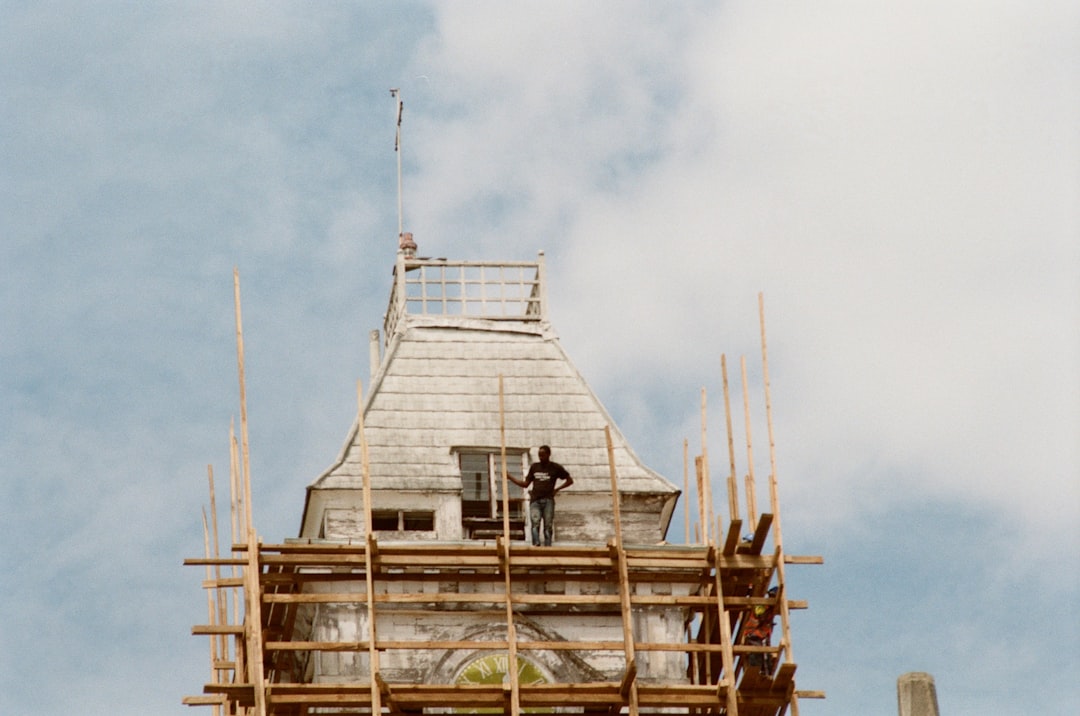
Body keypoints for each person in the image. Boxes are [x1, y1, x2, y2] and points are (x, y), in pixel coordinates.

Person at [508, 445, 573, 546]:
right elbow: (525, 484)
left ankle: (547, 547)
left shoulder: (555, 467)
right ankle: (536, 545)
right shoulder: (535, 467)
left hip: (548, 500)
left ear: (548, 454)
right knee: (535, 523)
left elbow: (570, 480)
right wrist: (510, 477)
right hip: (535, 501)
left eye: (543, 455)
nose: (541, 457)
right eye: (539, 455)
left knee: (548, 525)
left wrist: (557, 489)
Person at [742, 586, 778, 676]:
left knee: (766, 657)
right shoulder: (762, 604)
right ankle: (756, 673)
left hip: (762, 635)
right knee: (756, 652)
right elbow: (759, 613)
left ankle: (766, 674)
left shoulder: (771, 608)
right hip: (753, 633)